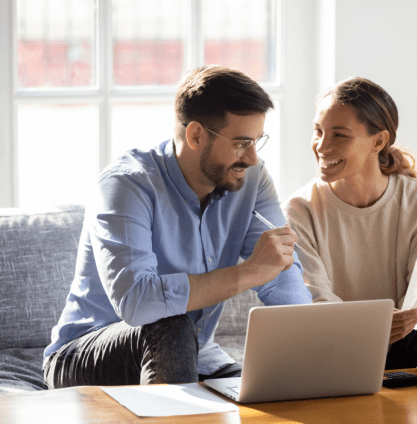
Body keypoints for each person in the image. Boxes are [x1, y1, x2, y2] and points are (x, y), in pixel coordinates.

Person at [43, 65, 312, 388]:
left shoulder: (251, 179)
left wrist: (309, 345)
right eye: (241, 143)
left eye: (257, 141)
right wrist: (247, 273)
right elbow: (137, 302)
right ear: (196, 135)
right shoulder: (127, 186)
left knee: (272, 393)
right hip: (85, 354)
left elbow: (281, 271)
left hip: (196, 354)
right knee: (170, 326)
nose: (252, 158)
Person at [283, 77, 417, 369]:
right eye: (318, 131)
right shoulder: (300, 210)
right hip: (338, 345)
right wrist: (373, 326)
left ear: (379, 141)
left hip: (408, 340)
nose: (321, 146)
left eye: (339, 135)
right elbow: (315, 303)